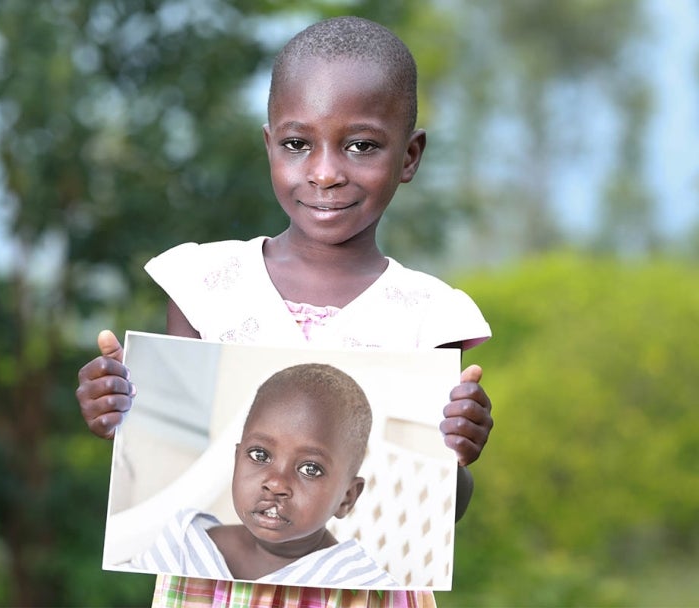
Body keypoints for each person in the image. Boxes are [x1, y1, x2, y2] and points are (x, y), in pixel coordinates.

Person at [76, 15, 494, 608]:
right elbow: (158, 451)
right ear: (269, 145)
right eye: (299, 144)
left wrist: (458, 453)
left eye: (362, 145)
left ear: (409, 155)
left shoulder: (429, 315)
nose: (325, 172)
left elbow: (438, 513)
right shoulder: (205, 285)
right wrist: (113, 412)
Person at [131, 363, 397, 588]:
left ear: (347, 498)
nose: (276, 483)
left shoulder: (359, 587)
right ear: (237, 459)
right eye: (260, 455)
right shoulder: (185, 546)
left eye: (310, 469)